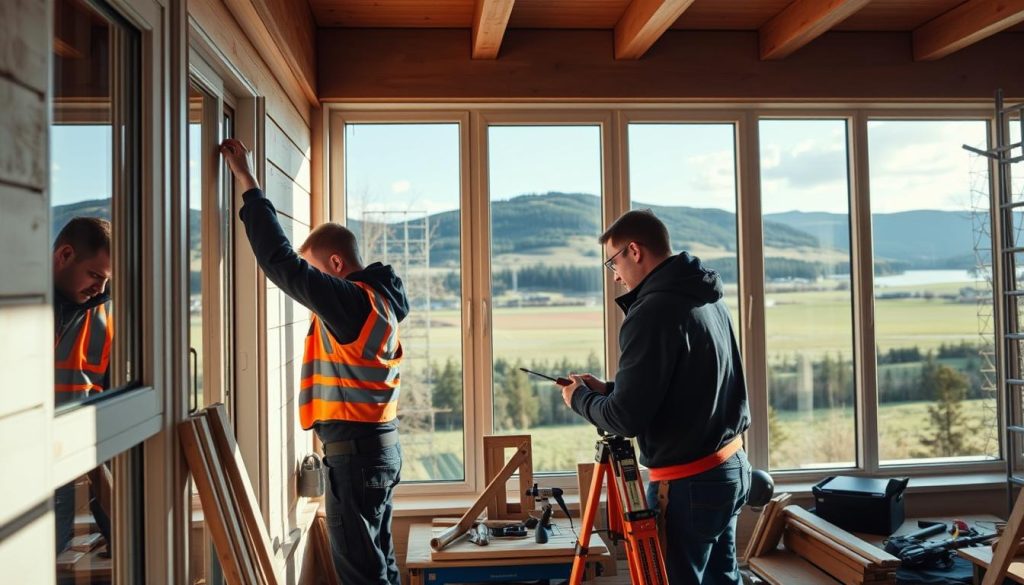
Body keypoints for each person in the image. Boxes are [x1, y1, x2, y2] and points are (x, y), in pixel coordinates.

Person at [220, 138, 408, 585]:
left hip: (356, 457)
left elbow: (280, 263)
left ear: (337, 264)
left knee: (363, 577)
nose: (313, 292)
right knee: (380, 568)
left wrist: (248, 185)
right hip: (377, 450)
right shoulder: (380, 301)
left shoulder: (350, 301)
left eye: (317, 271)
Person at [559, 209, 751, 585]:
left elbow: (626, 419)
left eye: (612, 262)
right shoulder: (703, 294)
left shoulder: (652, 311)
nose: (614, 276)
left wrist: (578, 399)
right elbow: (687, 385)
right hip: (729, 468)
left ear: (634, 251)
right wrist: (611, 389)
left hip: (688, 484)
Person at [52, 217, 114, 555]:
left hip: (71, 463)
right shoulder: (18, 298)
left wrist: (117, 528)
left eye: (106, 280)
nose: (100, 289)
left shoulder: (106, 311)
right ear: (64, 255)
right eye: (94, 275)